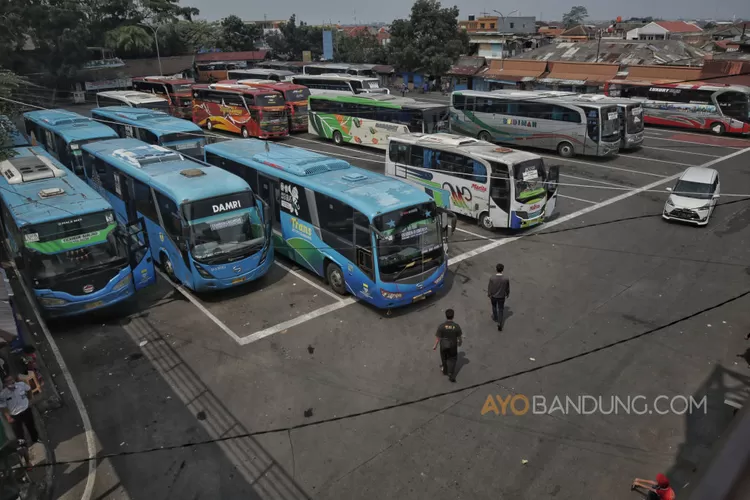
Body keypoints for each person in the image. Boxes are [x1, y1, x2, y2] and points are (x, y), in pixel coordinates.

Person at [0, 375, 39, 443]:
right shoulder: (3, 394)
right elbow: (3, 407)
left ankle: (36, 440)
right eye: (8, 381)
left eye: (11, 380)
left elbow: (29, 389)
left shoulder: (21, 385)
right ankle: (23, 447)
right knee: (19, 433)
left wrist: (30, 400)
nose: (11, 382)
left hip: (26, 410)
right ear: (5, 384)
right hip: (15, 415)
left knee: (31, 427)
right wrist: (8, 417)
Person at [433, 309, 463, 382]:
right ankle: (450, 373)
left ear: (446, 316)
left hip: (443, 346)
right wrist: (459, 343)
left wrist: (435, 346)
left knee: (444, 359)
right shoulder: (456, 326)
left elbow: (438, 338)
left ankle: (445, 370)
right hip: (453, 346)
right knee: (453, 359)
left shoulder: (441, 326)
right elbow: (459, 338)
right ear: (453, 316)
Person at [487, 263, 510, 331]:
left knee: (494, 307)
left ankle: (495, 317)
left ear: (496, 269)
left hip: (494, 296)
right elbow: (507, 288)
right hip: (501, 297)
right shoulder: (506, 279)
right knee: (500, 309)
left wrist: (489, 294)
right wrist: (507, 293)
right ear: (502, 270)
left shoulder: (492, 278)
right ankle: (500, 322)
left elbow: (489, 287)